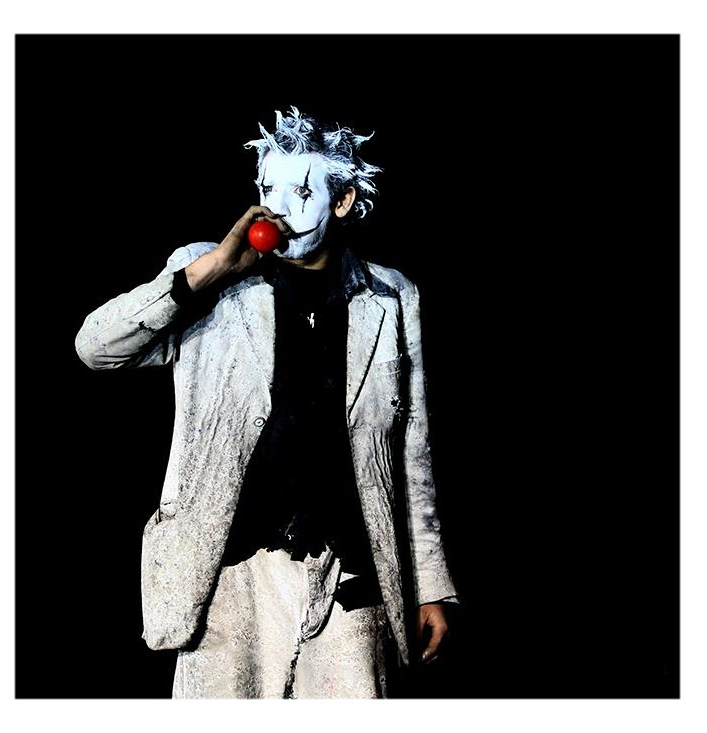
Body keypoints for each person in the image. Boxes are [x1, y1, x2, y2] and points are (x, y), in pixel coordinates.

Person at [75, 107, 458, 699]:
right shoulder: (209, 276)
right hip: (228, 574)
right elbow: (96, 349)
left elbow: (411, 451)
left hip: (350, 576)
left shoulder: (390, 296)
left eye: (301, 192)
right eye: (267, 188)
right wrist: (208, 271)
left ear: (342, 202)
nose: (278, 208)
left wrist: (429, 583)